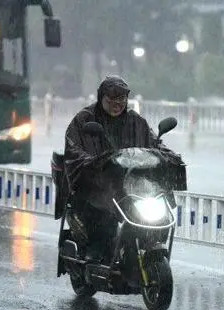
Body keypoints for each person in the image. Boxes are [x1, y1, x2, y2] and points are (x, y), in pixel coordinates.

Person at [63, 75, 172, 262]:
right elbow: (73, 150)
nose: (117, 103)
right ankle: (96, 250)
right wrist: (93, 162)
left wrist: (168, 156)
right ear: (101, 98)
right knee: (103, 206)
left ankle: (146, 244)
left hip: (130, 183)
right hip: (97, 182)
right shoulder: (85, 119)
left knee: (161, 202)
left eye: (121, 99)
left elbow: (154, 144)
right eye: (112, 99)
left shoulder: (136, 122)